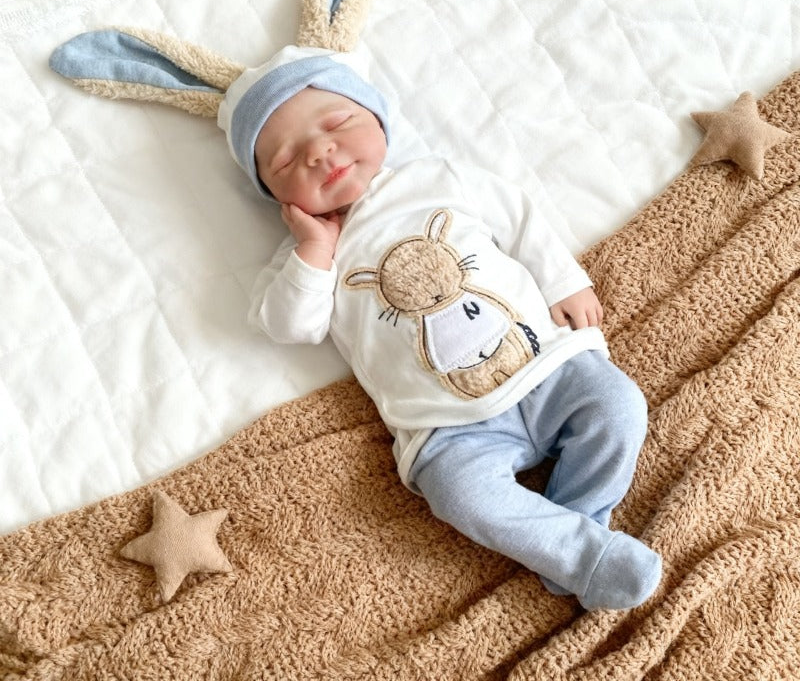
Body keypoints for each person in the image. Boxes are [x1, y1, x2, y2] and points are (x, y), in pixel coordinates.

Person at [224, 46, 663, 611]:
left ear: (376, 116)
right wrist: (314, 249)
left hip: (544, 367)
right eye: (286, 162)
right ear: (274, 195)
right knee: (458, 495)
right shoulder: (303, 261)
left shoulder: (436, 178)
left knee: (618, 405)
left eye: (336, 123)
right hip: (447, 430)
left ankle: (573, 546)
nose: (318, 152)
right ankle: (584, 555)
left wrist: (562, 282)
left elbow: (519, 219)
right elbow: (291, 325)